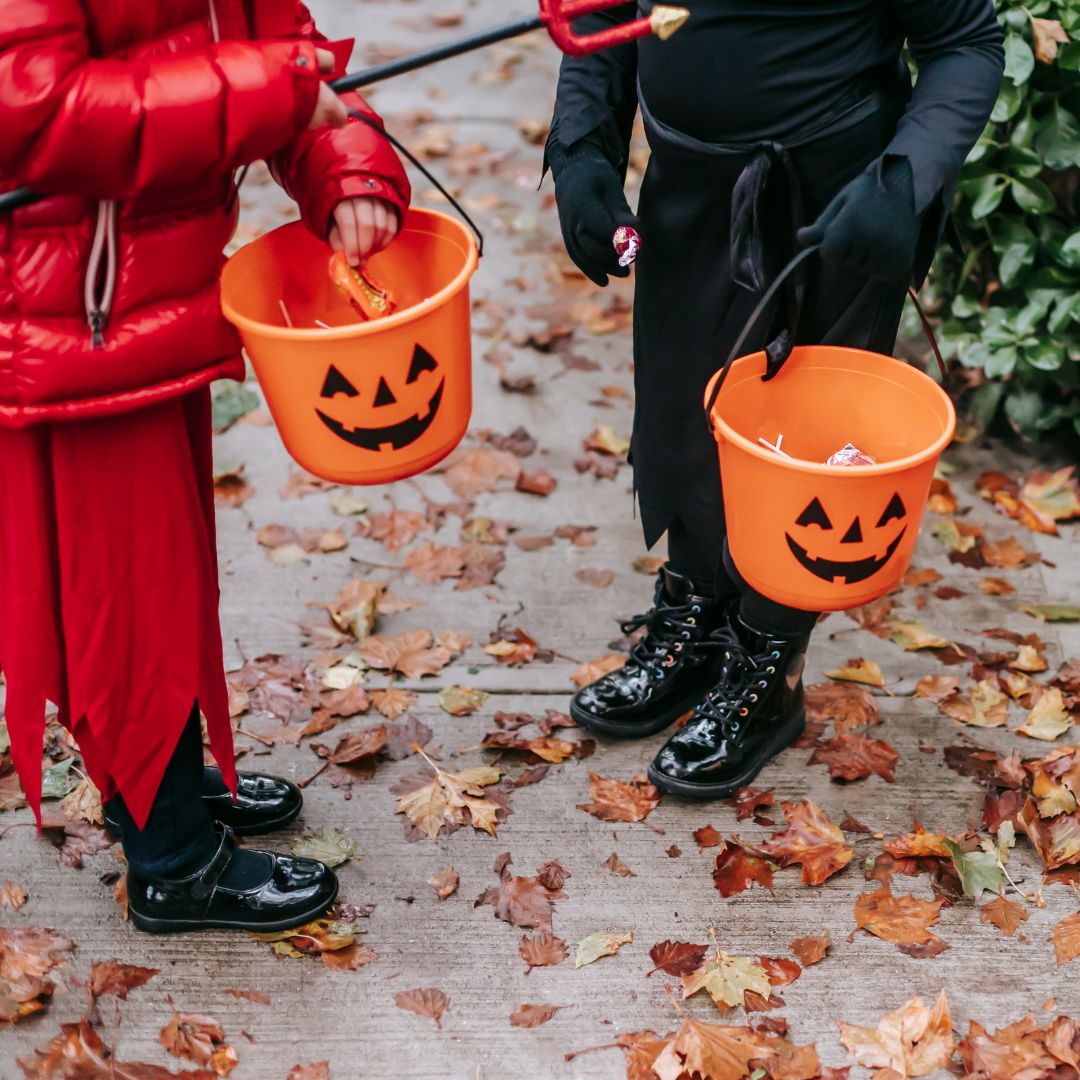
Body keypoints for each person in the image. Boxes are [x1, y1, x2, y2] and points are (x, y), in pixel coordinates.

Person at [0, 0, 410, 932]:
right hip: (71, 321)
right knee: (120, 601)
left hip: (148, 296)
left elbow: (288, 52)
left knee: (162, 583)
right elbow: (38, 112)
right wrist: (276, 94)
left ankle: (169, 786)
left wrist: (350, 172)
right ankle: (172, 861)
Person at [548, 1, 1004, 798]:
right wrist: (584, 151)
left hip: (838, 203)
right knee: (683, 412)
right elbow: (596, 17)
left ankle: (769, 663)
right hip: (688, 186)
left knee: (802, 450)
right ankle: (694, 624)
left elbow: (966, 40)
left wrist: (904, 180)